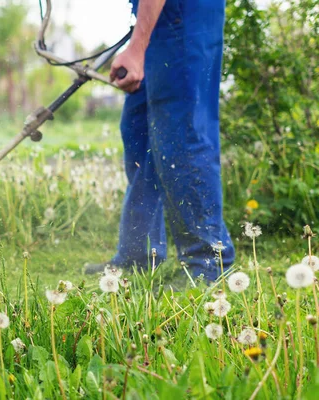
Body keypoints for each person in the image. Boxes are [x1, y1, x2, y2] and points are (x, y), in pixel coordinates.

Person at [85, 0, 235, 282]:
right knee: (139, 135)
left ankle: (207, 263)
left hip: (183, 16)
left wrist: (137, 47)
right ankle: (140, 255)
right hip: (157, 20)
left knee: (182, 135)